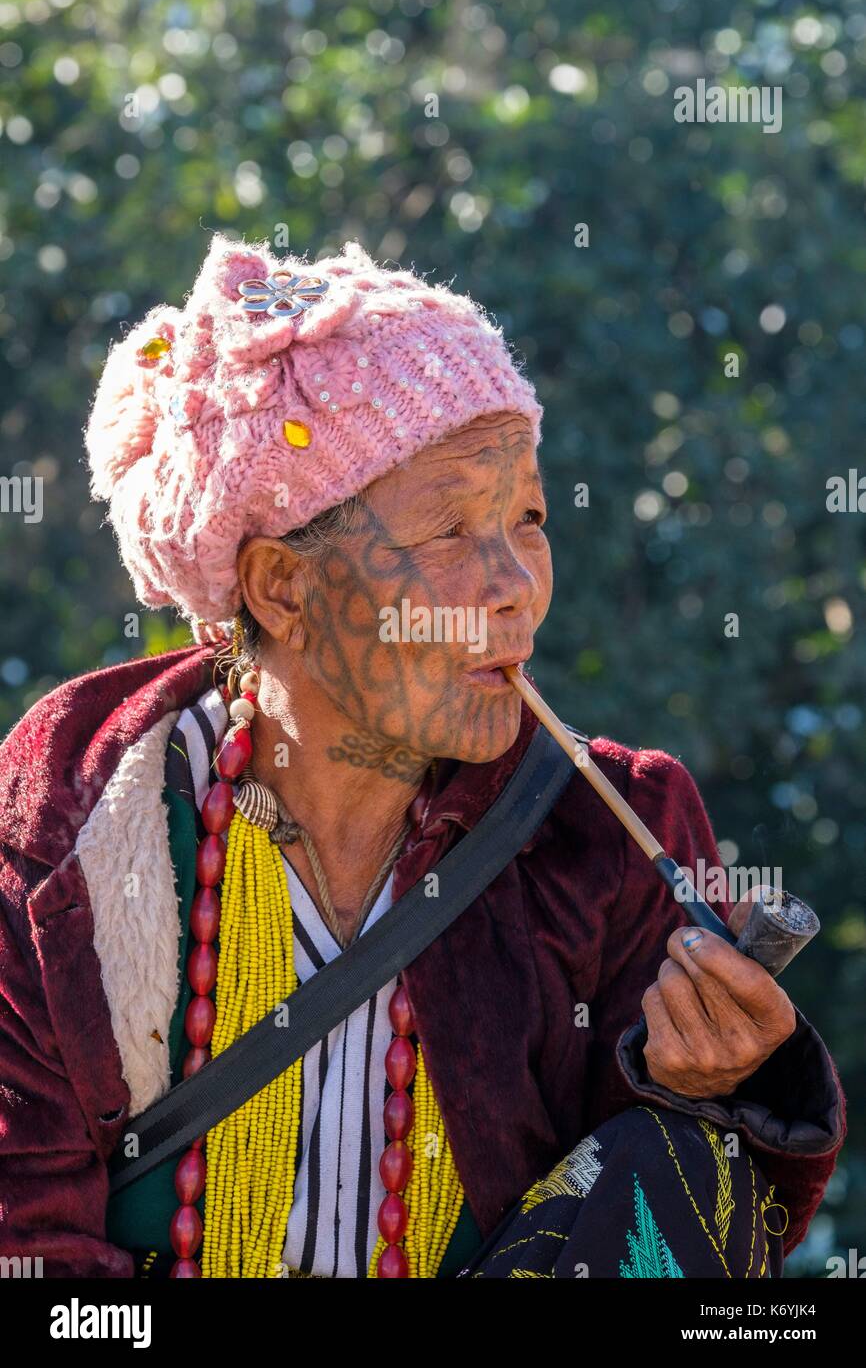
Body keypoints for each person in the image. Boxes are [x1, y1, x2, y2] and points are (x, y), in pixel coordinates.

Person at [0, 233, 845, 1278]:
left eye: (526, 519)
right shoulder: (74, 826)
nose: (514, 586)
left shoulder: (607, 832)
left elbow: (672, 1237)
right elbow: (29, 1248)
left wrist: (720, 1086)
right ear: (282, 589)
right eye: (448, 532)